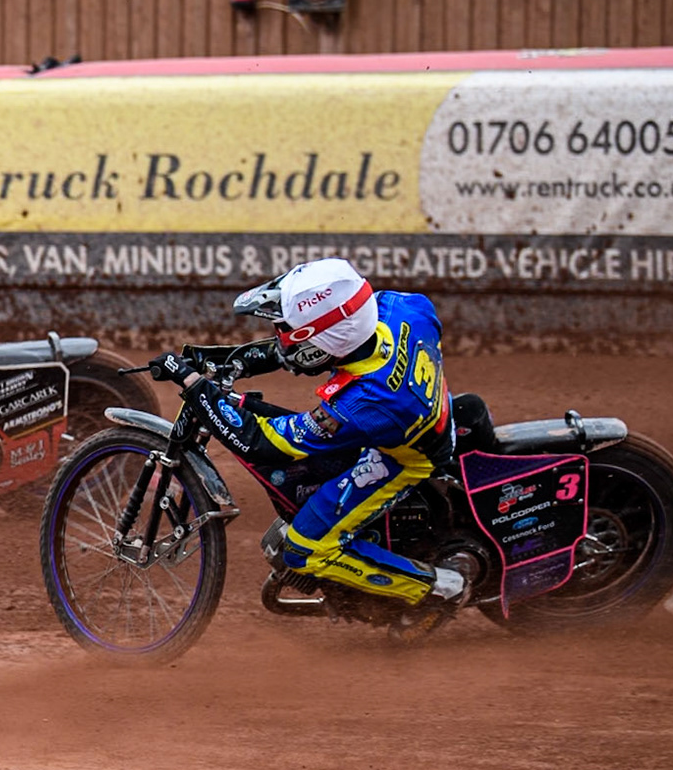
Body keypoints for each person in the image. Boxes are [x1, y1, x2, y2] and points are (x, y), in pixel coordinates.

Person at [148, 257, 474, 611]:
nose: (280, 335)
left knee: (304, 549)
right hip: (431, 411)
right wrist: (237, 361)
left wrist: (194, 385)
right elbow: (334, 332)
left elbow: (262, 443)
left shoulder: (361, 403)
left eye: (285, 329)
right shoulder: (399, 309)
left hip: (402, 459)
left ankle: (438, 587)